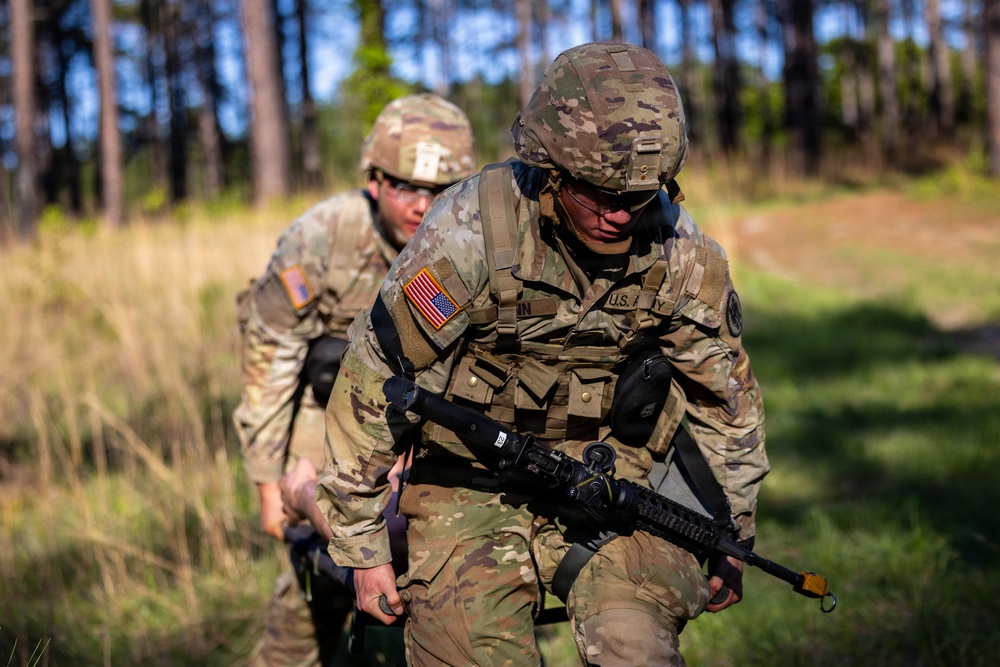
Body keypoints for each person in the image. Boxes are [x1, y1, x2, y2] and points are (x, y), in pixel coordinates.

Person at [316, 42, 769, 667]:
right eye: (597, 193)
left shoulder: (682, 256)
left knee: (638, 654)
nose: (617, 215)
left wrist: (731, 532)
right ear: (552, 167)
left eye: (637, 198)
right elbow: (377, 378)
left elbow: (726, 403)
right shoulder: (471, 232)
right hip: (468, 486)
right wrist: (362, 546)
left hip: (617, 488)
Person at [233, 92, 477, 667]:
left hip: (433, 416)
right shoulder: (321, 239)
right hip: (326, 419)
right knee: (313, 572)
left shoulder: (474, 246)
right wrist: (269, 481)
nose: (422, 206)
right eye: (404, 187)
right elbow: (272, 356)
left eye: (440, 191)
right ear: (373, 180)